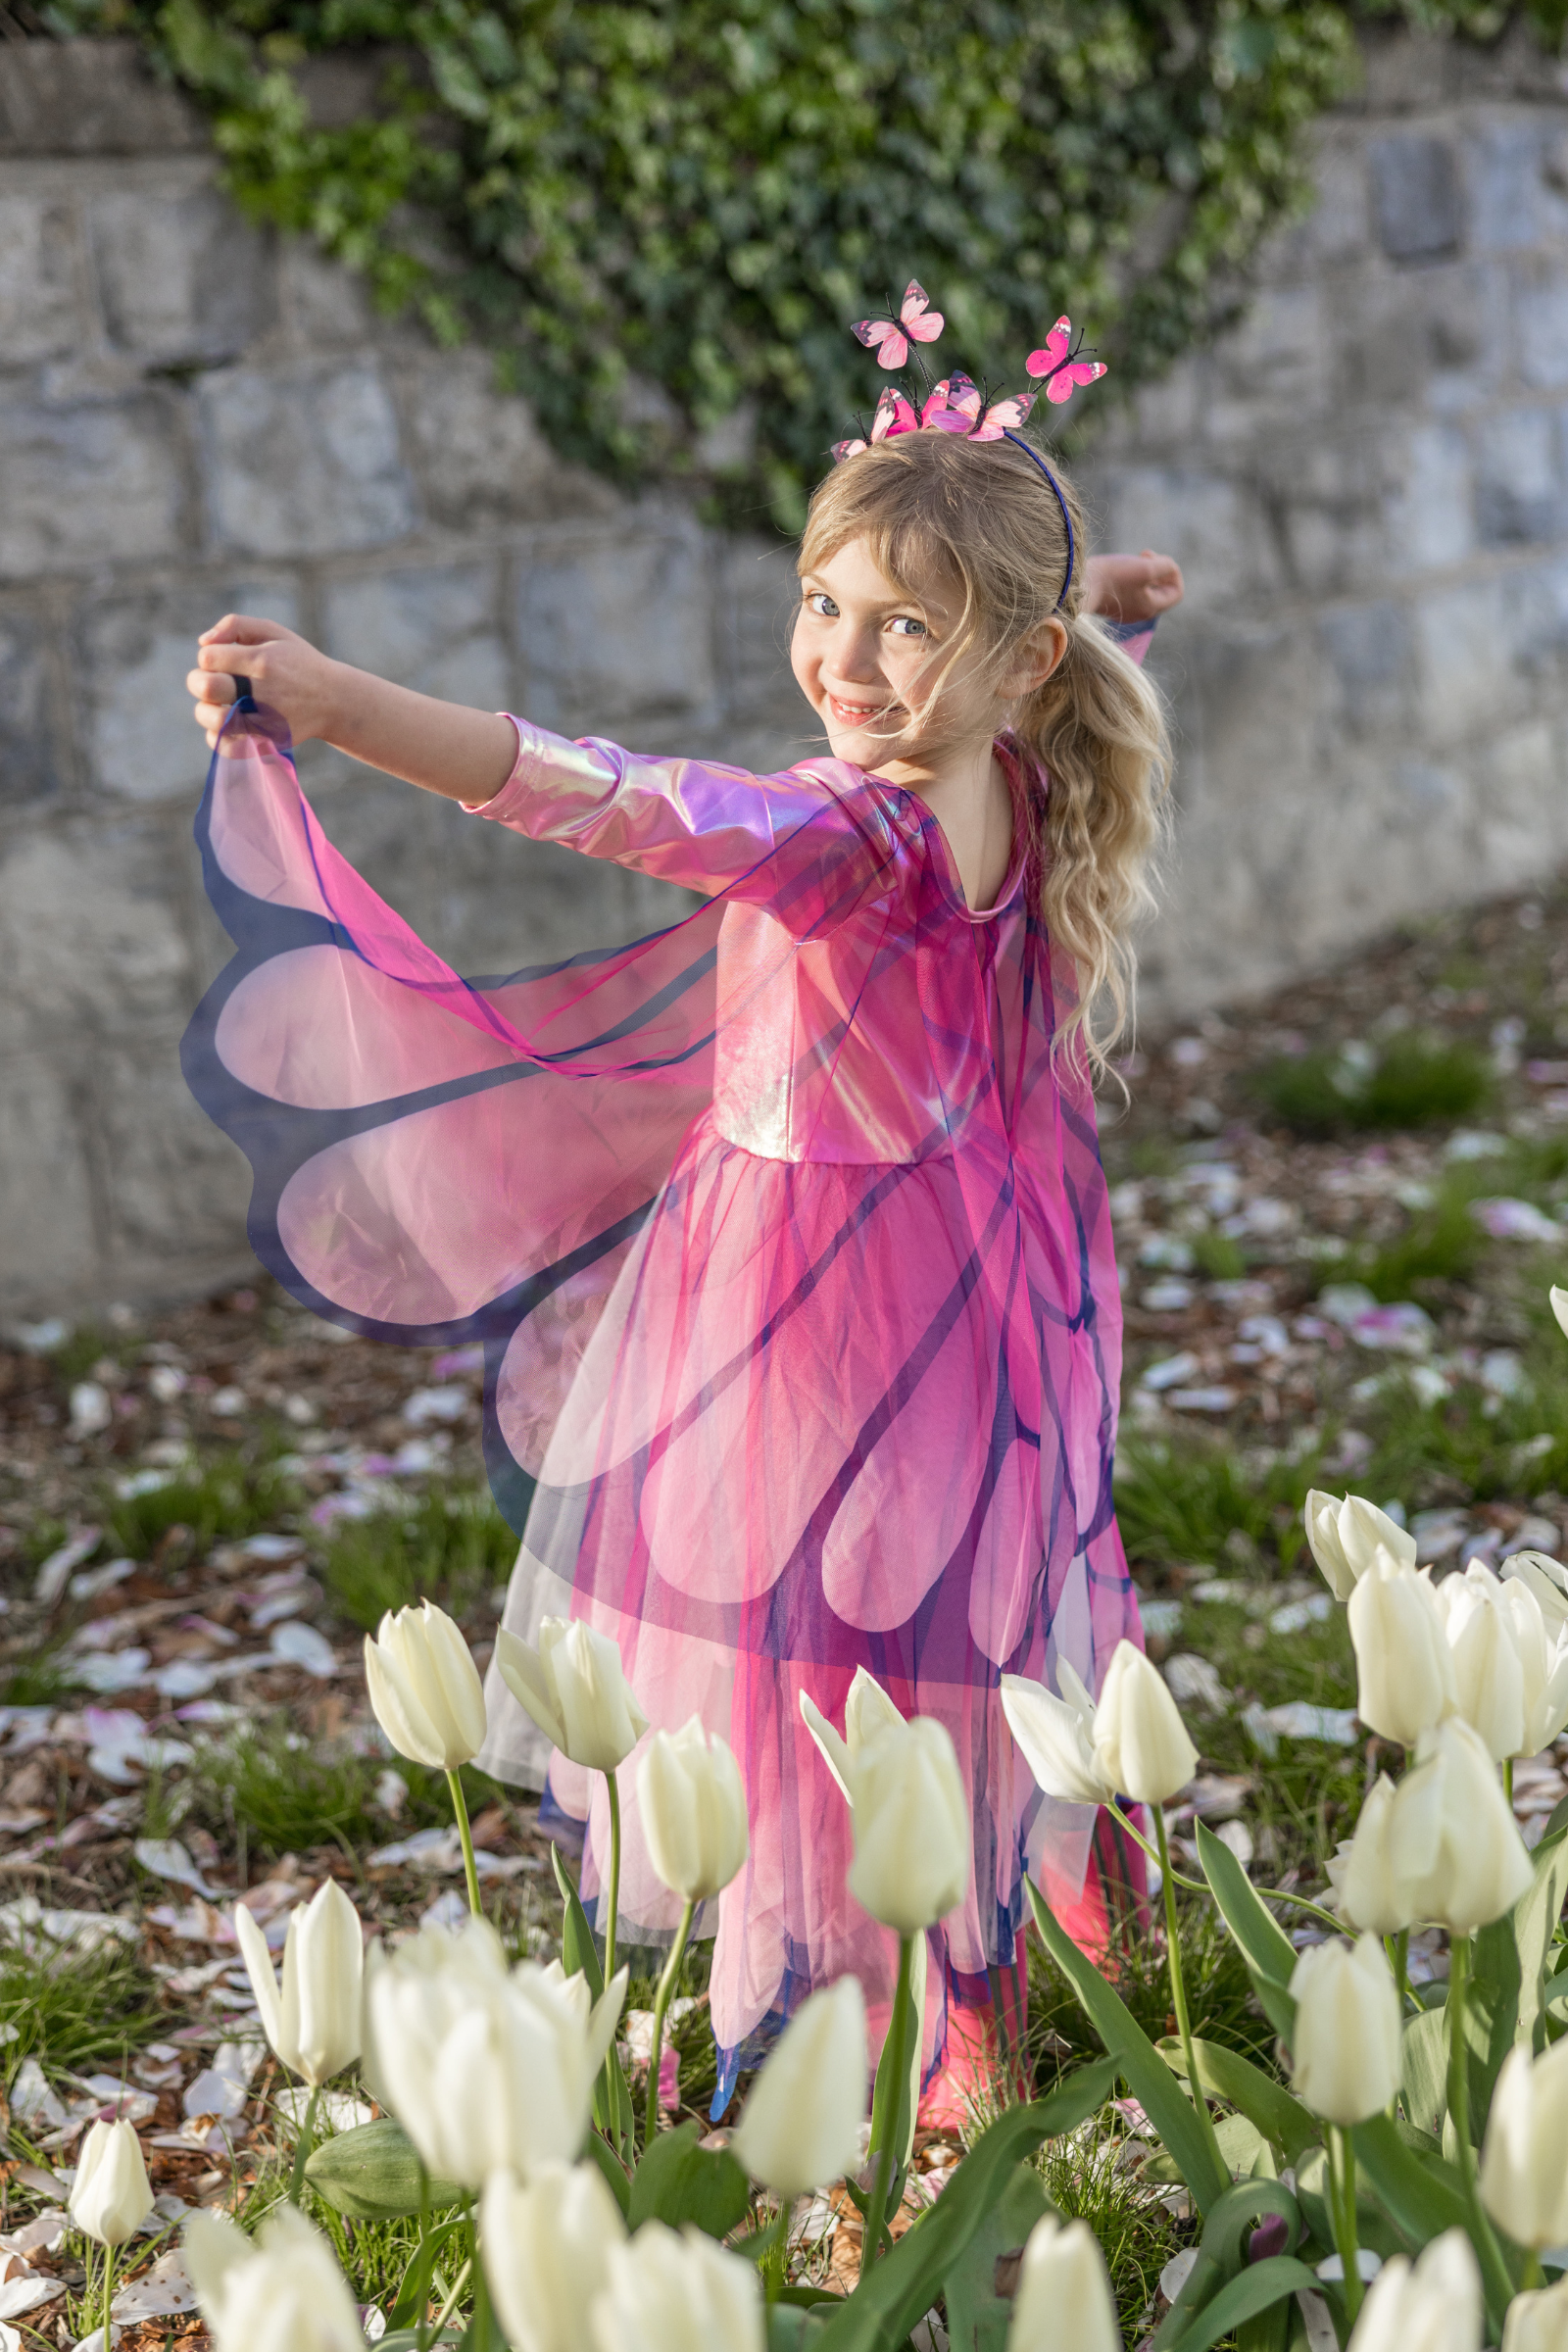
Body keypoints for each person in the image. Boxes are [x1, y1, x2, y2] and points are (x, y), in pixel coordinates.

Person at [181, 301, 1183, 2126]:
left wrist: (331, 704)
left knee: (796, 1654)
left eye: (906, 626)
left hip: (808, 1310)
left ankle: (813, 2023)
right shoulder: (1009, 777)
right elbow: (982, 661)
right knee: (937, 1629)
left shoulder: (846, 832)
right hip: (969, 1285)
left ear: (1020, 660)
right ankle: (966, 1990)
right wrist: (1092, 596)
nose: (848, 661)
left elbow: (611, 800)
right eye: (829, 605)